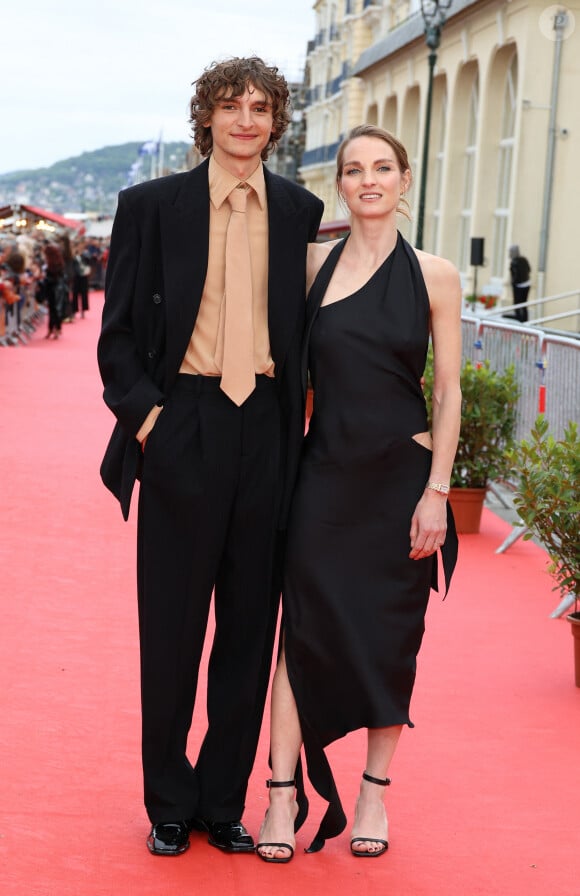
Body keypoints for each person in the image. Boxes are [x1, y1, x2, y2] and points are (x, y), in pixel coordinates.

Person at [97, 56, 323, 858]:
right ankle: (167, 799)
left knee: (250, 630)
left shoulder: (300, 209)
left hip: (265, 428)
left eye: (261, 106)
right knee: (172, 625)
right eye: (231, 105)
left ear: (275, 120)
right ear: (208, 117)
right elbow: (117, 336)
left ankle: (222, 798)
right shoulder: (151, 206)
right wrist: (152, 421)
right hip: (183, 421)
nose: (246, 119)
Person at [256, 125, 461, 863]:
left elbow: (447, 389)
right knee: (300, 632)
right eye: (353, 170)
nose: (368, 180)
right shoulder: (312, 264)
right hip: (325, 477)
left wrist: (437, 489)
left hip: (401, 484)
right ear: (338, 184)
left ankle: (374, 790)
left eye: (382, 168)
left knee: (391, 639)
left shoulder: (435, 274)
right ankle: (281, 796)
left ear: (405, 180)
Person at [508, 245, 531, 322]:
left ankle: (518, 316)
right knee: (524, 303)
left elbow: (515, 274)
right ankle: (524, 318)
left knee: (517, 302)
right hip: (526, 283)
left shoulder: (514, 262)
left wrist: (514, 282)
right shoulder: (524, 259)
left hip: (519, 285)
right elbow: (529, 269)